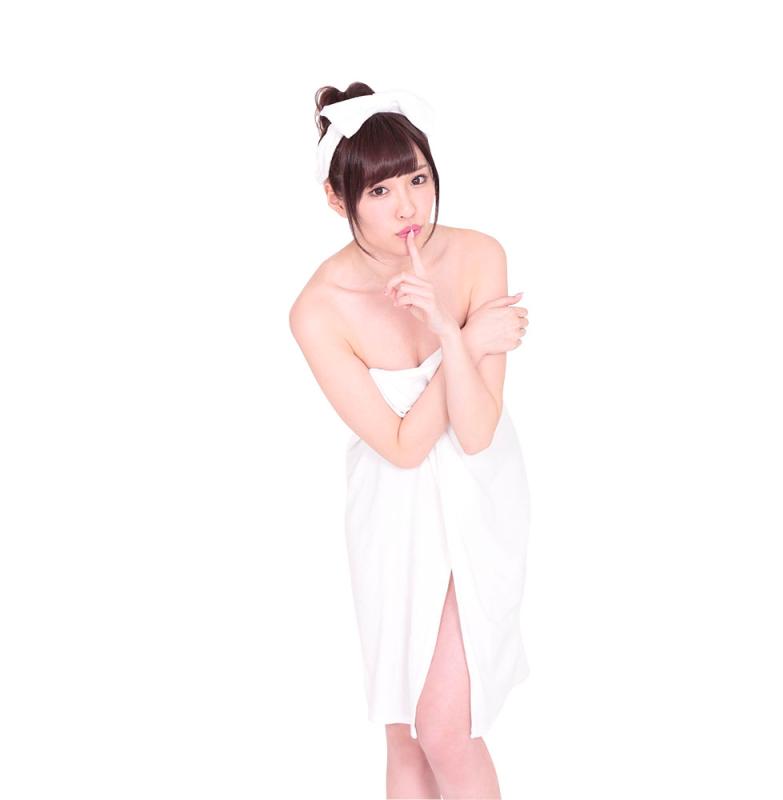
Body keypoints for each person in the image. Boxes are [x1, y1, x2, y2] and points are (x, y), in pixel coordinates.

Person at [289, 82, 531, 800]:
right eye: (381, 191)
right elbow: (398, 446)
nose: (408, 208)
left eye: (418, 180)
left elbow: (478, 432)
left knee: (446, 727)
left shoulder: (479, 255)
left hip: (479, 498)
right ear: (338, 200)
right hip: (391, 509)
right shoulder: (317, 309)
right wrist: (467, 340)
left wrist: (447, 332)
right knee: (404, 730)